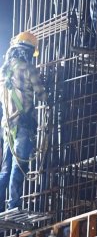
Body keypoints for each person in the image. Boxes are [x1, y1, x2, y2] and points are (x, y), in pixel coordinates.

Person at [0, 32, 46, 210]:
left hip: (7, 127)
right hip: (23, 125)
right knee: (19, 166)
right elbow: (42, 95)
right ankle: (13, 205)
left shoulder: (3, 72)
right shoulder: (28, 69)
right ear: (28, 51)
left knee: (5, 169)